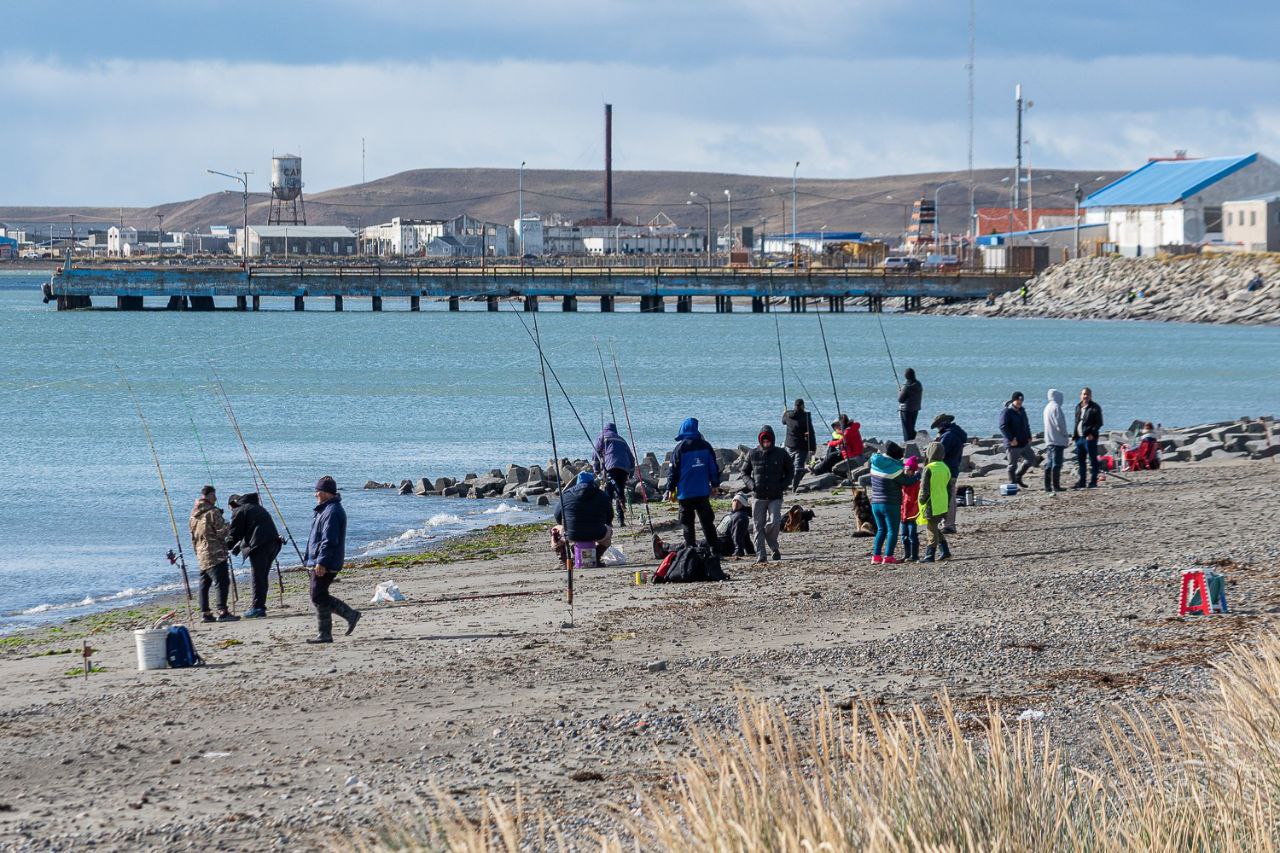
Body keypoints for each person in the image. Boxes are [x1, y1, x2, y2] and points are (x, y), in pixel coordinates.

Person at [303, 475, 359, 644]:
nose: (316, 495)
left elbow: (329, 539)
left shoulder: (332, 511)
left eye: (318, 491)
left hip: (327, 561)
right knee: (318, 594)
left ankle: (348, 616)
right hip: (322, 559)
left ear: (326, 493)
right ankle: (327, 632)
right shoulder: (326, 509)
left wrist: (321, 562)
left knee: (317, 594)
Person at [665, 417, 720, 550]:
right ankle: (714, 550)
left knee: (687, 524)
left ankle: (691, 549)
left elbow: (673, 470)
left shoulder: (679, 448)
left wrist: (670, 488)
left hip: (685, 493)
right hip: (702, 492)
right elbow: (713, 467)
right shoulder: (706, 446)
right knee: (707, 523)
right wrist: (715, 485)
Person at [224, 492, 282, 619]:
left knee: (258, 577)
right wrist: (237, 548)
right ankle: (260, 606)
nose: (231, 512)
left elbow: (235, 533)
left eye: (230, 509)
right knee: (262, 576)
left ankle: (258, 608)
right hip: (273, 543)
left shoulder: (240, 510)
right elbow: (251, 530)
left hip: (261, 545)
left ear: (233, 504)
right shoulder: (255, 508)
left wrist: (226, 546)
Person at [742, 425, 793, 564]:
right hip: (758, 496)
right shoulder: (752, 453)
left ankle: (773, 546)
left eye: (768, 440)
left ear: (772, 440)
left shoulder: (781, 453)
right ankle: (761, 554)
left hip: (775, 495)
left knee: (774, 521)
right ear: (760, 441)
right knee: (758, 526)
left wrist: (783, 485)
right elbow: (744, 473)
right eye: (764, 441)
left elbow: (790, 471)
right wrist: (752, 486)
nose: (766, 443)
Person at [189, 486, 238, 623]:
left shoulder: (193, 515)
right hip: (215, 553)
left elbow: (192, 537)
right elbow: (222, 532)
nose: (216, 499)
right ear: (209, 496)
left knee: (204, 584)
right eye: (214, 495)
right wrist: (228, 524)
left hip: (201, 553)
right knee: (222, 582)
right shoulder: (213, 512)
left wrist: (197, 552)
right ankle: (222, 611)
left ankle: (205, 613)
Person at [868, 441, 915, 564]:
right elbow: (906, 482)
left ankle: (876, 557)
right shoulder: (895, 469)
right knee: (892, 530)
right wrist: (917, 476)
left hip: (875, 502)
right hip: (890, 503)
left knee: (881, 530)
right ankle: (888, 557)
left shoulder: (875, 463)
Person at [552, 471, 614, 564]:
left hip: (572, 534)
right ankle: (596, 557)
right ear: (592, 482)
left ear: (578, 483)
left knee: (555, 531)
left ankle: (563, 562)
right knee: (609, 532)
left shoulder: (566, 495)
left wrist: (566, 524)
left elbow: (557, 515)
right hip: (598, 533)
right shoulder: (602, 495)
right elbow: (610, 516)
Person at [592, 422, 635, 526]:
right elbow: (631, 458)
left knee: (608, 494)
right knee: (620, 492)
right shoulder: (622, 440)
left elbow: (595, 454)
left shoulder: (602, 437)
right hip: (623, 470)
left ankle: (608, 521)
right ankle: (621, 520)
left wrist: (596, 470)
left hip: (610, 468)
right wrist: (631, 473)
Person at [931, 414, 967, 534]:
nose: (937, 430)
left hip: (946, 470)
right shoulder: (956, 433)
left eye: (937, 427)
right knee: (949, 495)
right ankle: (948, 523)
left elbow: (938, 454)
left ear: (942, 425)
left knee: (949, 496)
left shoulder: (948, 436)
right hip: (952, 468)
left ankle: (949, 524)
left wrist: (935, 442)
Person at [917, 442, 952, 562]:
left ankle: (929, 555)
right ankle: (945, 551)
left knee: (931, 529)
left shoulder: (929, 468)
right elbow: (949, 487)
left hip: (931, 503)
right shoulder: (945, 467)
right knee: (935, 527)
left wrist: (921, 500)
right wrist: (948, 502)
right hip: (942, 503)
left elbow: (924, 488)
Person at [998, 391, 1036, 487]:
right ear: (1013, 400)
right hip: (1012, 444)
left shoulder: (1022, 411)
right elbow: (1003, 427)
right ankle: (1013, 484)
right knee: (1012, 465)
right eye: (1018, 400)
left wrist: (1029, 436)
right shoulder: (1007, 412)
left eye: (1021, 400)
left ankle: (1018, 476)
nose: (1020, 402)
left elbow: (1026, 425)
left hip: (1024, 442)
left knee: (1031, 459)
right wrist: (1011, 439)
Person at [1072, 387, 1104, 489]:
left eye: (1087, 394)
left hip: (1089, 439)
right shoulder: (1078, 406)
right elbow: (1077, 421)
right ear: (1080, 395)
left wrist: (1092, 433)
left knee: (1093, 460)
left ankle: (1093, 481)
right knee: (1081, 461)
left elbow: (1099, 423)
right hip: (1079, 438)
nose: (1085, 396)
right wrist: (1075, 435)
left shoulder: (1095, 407)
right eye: (1083, 394)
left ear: (1090, 395)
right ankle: (1082, 482)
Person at [781, 399, 816, 492]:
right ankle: (794, 486)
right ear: (802, 406)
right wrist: (813, 448)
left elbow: (783, 421)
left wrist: (784, 413)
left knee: (787, 465)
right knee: (798, 466)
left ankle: (784, 484)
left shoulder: (788, 415)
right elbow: (811, 433)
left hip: (789, 444)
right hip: (802, 446)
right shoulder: (806, 417)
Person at [1042, 389, 1069, 492]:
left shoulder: (1047, 407)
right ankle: (1056, 486)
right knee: (1057, 464)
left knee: (1049, 463)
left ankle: (1047, 486)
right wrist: (1065, 435)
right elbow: (1060, 425)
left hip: (1049, 439)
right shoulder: (1056, 407)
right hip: (1057, 440)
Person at [715, 492, 754, 559]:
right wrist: (751, 551)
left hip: (723, 545)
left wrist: (738, 551)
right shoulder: (732, 514)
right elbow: (745, 536)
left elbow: (737, 535)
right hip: (718, 541)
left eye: (739, 501)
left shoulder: (740, 517)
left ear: (743, 505)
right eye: (734, 501)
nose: (735, 503)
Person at [900, 456, 922, 561]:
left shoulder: (916, 483)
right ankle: (907, 554)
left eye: (908, 470)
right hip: (903, 511)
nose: (906, 471)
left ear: (913, 471)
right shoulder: (903, 482)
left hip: (912, 512)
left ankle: (915, 555)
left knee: (912, 535)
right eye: (905, 469)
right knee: (904, 535)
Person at [898, 367, 923, 442]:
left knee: (907, 430)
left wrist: (899, 392)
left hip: (906, 410)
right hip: (915, 409)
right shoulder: (918, 384)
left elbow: (900, 400)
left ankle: (908, 444)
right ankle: (914, 442)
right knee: (911, 428)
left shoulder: (907, 386)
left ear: (906, 376)